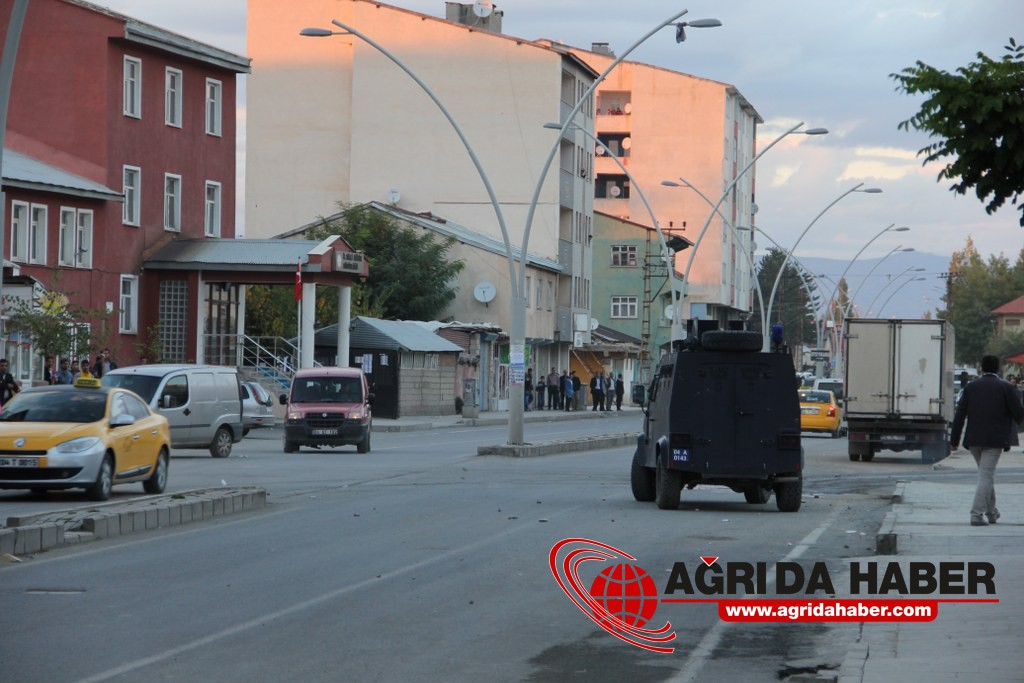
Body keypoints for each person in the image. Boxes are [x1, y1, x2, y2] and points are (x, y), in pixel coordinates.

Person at [950, 355, 1024, 526]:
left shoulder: (970, 387)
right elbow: (1019, 415)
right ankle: (976, 514)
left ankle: (992, 513)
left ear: (981, 369)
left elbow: (960, 415)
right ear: (997, 369)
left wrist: (954, 440)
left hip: (973, 440)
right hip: (995, 440)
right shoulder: (1006, 387)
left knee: (985, 475)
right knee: (986, 476)